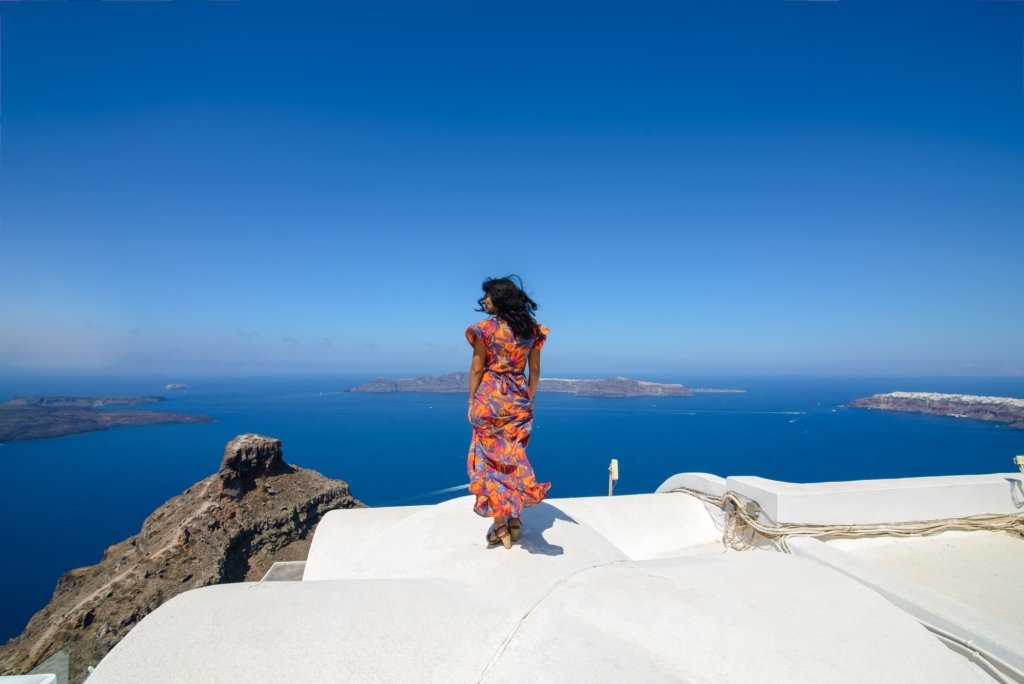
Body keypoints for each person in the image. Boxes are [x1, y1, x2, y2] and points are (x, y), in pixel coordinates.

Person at [466, 276, 552, 549]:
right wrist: (529, 397)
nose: (484, 301)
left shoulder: (484, 330)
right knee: (513, 458)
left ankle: (499, 525)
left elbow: (477, 369)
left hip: (489, 399)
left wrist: (470, 401)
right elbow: (535, 371)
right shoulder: (533, 330)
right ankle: (514, 520)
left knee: (491, 464)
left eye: (488, 296)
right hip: (518, 400)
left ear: (500, 299)